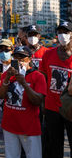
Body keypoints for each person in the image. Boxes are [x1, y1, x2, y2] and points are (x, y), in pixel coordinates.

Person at [0, 46, 46, 158]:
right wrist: (7, 79)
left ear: (29, 59)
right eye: (16, 58)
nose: (19, 61)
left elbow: (38, 100)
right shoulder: (7, 75)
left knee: (34, 155)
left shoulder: (38, 76)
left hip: (29, 127)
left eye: (22, 58)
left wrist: (24, 84)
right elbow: (0, 95)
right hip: (10, 125)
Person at [40, 21, 72, 158]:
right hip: (52, 108)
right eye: (60, 32)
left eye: (66, 32)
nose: (62, 35)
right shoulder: (48, 54)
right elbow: (43, 79)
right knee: (54, 145)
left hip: (70, 108)